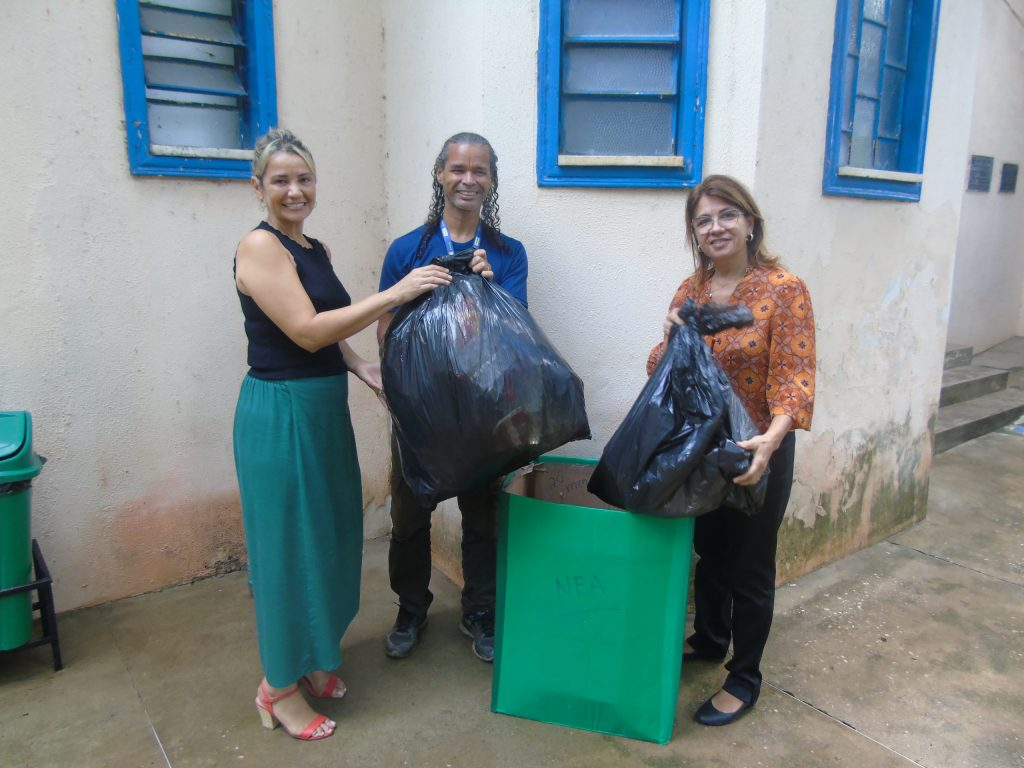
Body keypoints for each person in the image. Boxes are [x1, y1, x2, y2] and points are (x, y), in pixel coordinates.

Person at [233, 129, 487, 741]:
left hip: (321, 409)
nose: (295, 190)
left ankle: (313, 658)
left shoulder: (309, 246)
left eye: (304, 179)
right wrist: (395, 295)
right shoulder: (260, 247)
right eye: (281, 181)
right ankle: (279, 689)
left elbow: (327, 329)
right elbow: (306, 330)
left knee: (328, 539)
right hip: (282, 413)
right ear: (259, 187)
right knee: (289, 551)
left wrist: (360, 365)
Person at [647, 174, 816, 727]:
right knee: (710, 552)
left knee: (749, 567)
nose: (715, 227)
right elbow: (659, 368)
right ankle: (711, 637)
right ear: (694, 234)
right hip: (700, 449)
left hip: (755, 449)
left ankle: (745, 678)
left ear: (749, 222)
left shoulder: (782, 289)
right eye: (703, 220)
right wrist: (671, 338)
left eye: (726, 215)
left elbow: (794, 376)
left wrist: (771, 440)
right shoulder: (690, 291)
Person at [376, 132, 528, 663]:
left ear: (491, 182)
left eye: (479, 170)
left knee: (483, 516)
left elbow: (518, 334)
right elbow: (386, 329)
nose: (468, 179)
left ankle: (479, 612)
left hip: (484, 412)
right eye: (458, 168)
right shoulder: (407, 250)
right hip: (420, 411)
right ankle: (410, 608)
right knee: (411, 514)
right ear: (440, 173)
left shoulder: (507, 254)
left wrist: (490, 289)